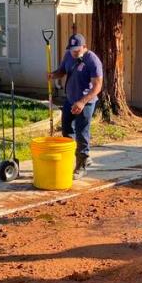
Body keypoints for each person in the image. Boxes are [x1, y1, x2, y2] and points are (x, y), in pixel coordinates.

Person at [48, 34, 103, 179]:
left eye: (77, 50)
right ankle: (78, 156)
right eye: (71, 49)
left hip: (86, 102)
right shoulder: (68, 55)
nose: (73, 53)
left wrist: (82, 102)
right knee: (66, 130)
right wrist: (53, 75)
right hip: (70, 99)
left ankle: (82, 165)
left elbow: (97, 86)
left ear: (84, 47)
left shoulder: (93, 60)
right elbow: (62, 71)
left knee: (81, 131)